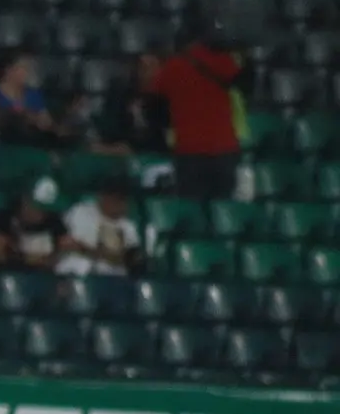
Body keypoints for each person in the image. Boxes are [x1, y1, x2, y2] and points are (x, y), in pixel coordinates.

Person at [149, 37, 244, 199]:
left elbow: (155, 100)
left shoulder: (173, 66)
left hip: (189, 151)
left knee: (192, 206)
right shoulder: (222, 60)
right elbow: (243, 83)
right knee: (223, 208)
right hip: (224, 149)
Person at [0, 177, 75, 270]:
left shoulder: (52, 221)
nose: (42, 214)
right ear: (25, 200)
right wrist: (27, 259)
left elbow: (67, 245)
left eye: (46, 209)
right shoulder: (0, 218)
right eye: (39, 207)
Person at [56, 178, 143, 277]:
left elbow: (126, 259)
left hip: (112, 277)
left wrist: (84, 249)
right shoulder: (78, 212)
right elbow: (62, 242)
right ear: (102, 197)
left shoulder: (128, 227)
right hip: (75, 272)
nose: (120, 204)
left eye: (123, 200)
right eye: (115, 199)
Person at [0, 50, 68, 148]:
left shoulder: (34, 95)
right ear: (8, 69)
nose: (28, 72)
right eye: (23, 68)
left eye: (29, 68)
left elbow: (46, 121)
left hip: (31, 144)